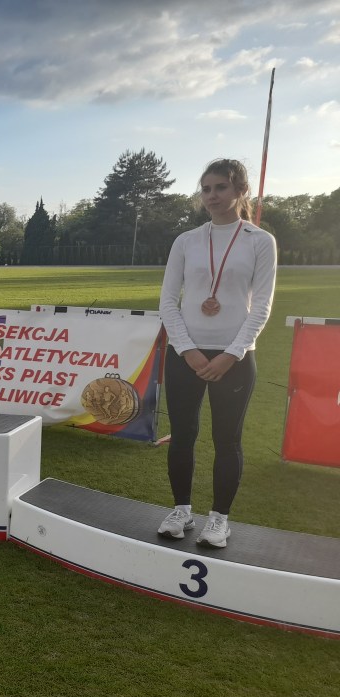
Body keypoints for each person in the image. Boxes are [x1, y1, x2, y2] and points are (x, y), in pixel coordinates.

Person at [157, 159, 277, 548]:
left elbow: (262, 306)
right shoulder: (187, 241)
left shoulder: (260, 241)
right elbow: (167, 301)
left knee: (228, 440)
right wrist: (187, 349)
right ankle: (181, 511)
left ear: (241, 191)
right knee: (183, 435)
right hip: (185, 355)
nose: (212, 196)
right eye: (206, 188)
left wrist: (231, 353)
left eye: (221, 187)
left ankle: (219, 519)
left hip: (234, 359)